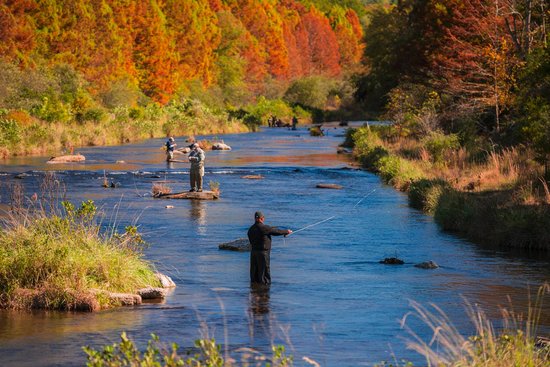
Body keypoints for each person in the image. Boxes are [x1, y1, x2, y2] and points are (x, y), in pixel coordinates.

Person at [247, 211, 292, 285]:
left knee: (254, 273)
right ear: (262, 218)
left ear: (255, 218)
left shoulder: (250, 229)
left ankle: (254, 292)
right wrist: (286, 231)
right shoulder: (264, 227)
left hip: (253, 253)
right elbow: (275, 231)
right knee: (265, 273)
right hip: (263, 254)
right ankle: (264, 293)